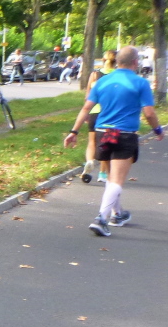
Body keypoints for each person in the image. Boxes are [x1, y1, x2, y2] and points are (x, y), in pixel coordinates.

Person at [64, 46, 163, 237]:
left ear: (117, 61)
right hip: (125, 134)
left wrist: (74, 131)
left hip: (102, 133)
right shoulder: (140, 83)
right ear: (135, 62)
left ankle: (118, 214)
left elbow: (86, 108)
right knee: (117, 180)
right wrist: (157, 130)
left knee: (111, 176)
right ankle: (101, 219)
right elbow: (149, 113)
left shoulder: (102, 81)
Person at [81, 50, 117, 183]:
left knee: (92, 142)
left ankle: (90, 161)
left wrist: (86, 113)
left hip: (94, 112)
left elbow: (88, 96)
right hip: (109, 114)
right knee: (105, 145)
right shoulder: (118, 75)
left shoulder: (95, 74)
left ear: (103, 60)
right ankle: (102, 174)